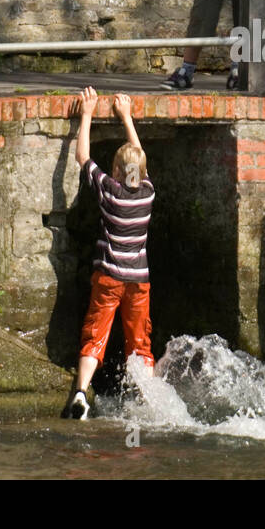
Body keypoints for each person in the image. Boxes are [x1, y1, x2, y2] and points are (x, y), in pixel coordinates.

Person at [67, 88, 155, 420]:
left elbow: (83, 157)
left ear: (116, 172)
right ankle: (148, 398)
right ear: (142, 173)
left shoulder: (110, 192)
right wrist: (127, 116)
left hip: (108, 278)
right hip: (139, 282)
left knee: (96, 334)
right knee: (139, 340)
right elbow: (139, 156)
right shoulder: (147, 194)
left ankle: (80, 392)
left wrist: (87, 114)